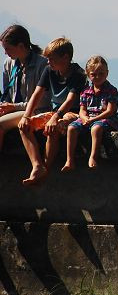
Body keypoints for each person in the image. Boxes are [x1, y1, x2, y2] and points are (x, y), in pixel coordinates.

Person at [18, 38, 86, 185]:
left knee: (53, 128)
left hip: (73, 113)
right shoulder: (49, 71)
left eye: (52, 59)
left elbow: (70, 100)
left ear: (65, 57)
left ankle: (45, 169)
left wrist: (56, 117)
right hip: (55, 111)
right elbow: (37, 94)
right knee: (24, 126)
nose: (49, 62)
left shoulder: (78, 74)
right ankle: (37, 165)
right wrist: (26, 116)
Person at [63, 56, 118, 171]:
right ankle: (69, 159)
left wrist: (93, 119)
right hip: (88, 117)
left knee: (96, 128)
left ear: (107, 73)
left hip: (105, 118)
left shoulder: (111, 90)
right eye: (93, 74)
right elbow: (82, 109)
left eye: (101, 74)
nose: (97, 77)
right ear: (88, 74)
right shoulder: (85, 91)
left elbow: (110, 110)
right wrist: (84, 118)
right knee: (71, 128)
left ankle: (93, 157)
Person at [0, 25, 48, 155]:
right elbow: (7, 95)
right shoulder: (8, 63)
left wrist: (14, 107)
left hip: (34, 111)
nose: (5, 53)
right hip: (14, 110)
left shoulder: (43, 64)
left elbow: (43, 102)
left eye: (8, 49)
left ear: (21, 46)